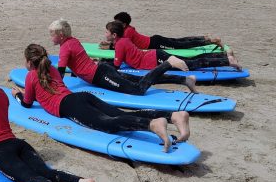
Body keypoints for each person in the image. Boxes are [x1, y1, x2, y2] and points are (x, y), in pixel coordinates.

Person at [11, 44, 192, 153]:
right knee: (120, 113)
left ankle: (152, 125)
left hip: (69, 106)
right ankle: (173, 116)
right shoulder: (51, 70)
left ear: (28, 62)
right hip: (81, 97)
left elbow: (27, 103)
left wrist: (17, 94)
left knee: (108, 124)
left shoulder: (31, 77)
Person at [49, 19, 197, 95]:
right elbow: (77, 64)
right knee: (140, 79)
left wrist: (55, 90)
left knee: (138, 89)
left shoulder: (64, 49)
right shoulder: (73, 41)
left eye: (52, 34)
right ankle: (185, 80)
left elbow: (60, 74)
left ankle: (168, 63)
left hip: (101, 75)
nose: (50, 37)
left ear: (61, 35)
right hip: (101, 70)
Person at [105, 21, 241, 71]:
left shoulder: (120, 44)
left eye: (107, 32)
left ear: (114, 35)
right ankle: (224, 56)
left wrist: (100, 65)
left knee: (192, 64)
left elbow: (116, 66)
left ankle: (227, 60)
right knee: (191, 59)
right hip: (155, 54)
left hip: (155, 59)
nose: (105, 34)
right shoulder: (123, 40)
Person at [104, 11, 223, 50]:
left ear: (124, 24)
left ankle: (211, 41)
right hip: (154, 39)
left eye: (117, 22)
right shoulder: (127, 29)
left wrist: (109, 46)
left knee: (181, 45)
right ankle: (204, 38)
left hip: (155, 43)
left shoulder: (127, 32)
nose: (114, 24)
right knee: (178, 41)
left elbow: (124, 46)